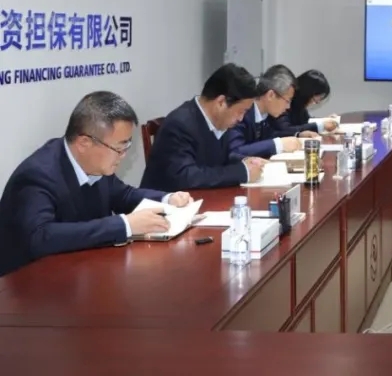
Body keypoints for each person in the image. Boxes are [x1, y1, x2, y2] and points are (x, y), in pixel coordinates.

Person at [0, 92, 192, 277]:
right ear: (84, 143)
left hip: (80, 271)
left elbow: (123, 195)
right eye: (119, 147)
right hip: (28, 285)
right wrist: (124, 225)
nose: (123, 155)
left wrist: (168, 199)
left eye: (127, 145)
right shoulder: (37, 175)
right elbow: (40, 237)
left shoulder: (95, 164)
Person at [141, 63, 266, 191]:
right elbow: (187, 177)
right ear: (221, 102)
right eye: (241, 111)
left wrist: (245, 162)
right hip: (163, 202)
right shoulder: (180, 124)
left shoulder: (219, 121)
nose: (241, 118)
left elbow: (220, 160)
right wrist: (243, 172)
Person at [226, 66, 318, 160]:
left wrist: (298, 135)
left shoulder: (266, 114)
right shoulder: (241, 113)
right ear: (271, 95)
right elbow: (235, 151)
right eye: (287, 101)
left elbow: (271, 136)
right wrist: (278, 144)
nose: (288, 107)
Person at [269, 68, 339, 137]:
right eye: (315, 100)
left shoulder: (299, 104)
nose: (315, 103)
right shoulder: (285, 99)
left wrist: (325, 120)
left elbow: (306, 121)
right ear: (307, 93)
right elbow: (285, 129)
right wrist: (321, 125)